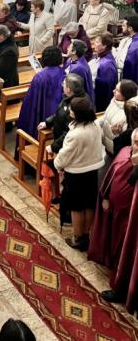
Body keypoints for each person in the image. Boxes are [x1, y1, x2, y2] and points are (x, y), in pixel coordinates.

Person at [89, 126, 138, 310]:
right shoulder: (125, 152)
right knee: (112, 241)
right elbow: (112, 173)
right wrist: (106, 196)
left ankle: (120, 286)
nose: (135, 146)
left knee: (124, 249)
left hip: (129, 218)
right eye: (135, 142)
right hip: (114, 211)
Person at [54, 97, 104, 250]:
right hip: (92, 171)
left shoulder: (75, 134)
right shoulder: (95, 126)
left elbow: (65, 155)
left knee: (77, 207)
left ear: (78, 114)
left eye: (72, 109)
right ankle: (88, 235)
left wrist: (57, 164)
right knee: (89, 204)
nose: (69, 111)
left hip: (76, 174)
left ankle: (78, 237)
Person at [17, 46, 65, 138]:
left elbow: (31, 100)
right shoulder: (63, 73)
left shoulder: (40, 76)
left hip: (43, 109)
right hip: (57, 110)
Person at [42, 73, 86, 155]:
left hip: (68, 148)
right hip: (60, 140)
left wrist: (54, 147)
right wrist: (48, 123)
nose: (62, 86)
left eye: (64, 84)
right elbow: (60, 113)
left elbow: (69, 132)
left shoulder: (76, 107)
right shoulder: (68, 97)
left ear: (69, 89)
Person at [100, 80, 137, 170]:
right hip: (107, 146)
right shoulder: (114, 100)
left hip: (115, 150)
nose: (113, 91)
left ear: (124, 95)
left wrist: (115, 133)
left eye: (117, 90)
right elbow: (105, 116)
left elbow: (124, 138)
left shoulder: (128, 112)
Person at [89, 33, 118, 112]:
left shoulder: (106, 65)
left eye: (97, 42)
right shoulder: (100, 57)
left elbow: (103, 91)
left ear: (104, 46)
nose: (94, 43)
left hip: (100, 104)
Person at [65, 39, 95, 105]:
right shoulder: (71, 59)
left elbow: (73, 90)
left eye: (69, 47)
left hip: (79, 103)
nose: (67, 48)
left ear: (74, 52)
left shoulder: (79, 68)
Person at [122, 14, 138, 83]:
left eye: (124, 25)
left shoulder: (134, 46)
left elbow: (130, 66)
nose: (121, 27)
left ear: (130, 28)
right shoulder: (129, 40)